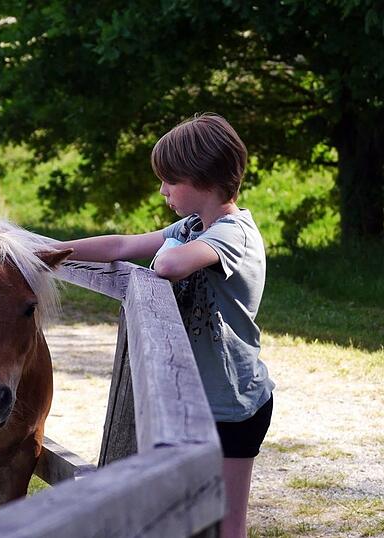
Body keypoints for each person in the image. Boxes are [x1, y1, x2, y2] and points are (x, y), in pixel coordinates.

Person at [55, 113, 274, 538]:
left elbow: (169, 264)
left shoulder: (234, 233)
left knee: (227, 529)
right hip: (193, 403)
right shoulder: (195, 225)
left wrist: (170, 244)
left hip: (233, 405)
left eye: (170, 180)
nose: (162, 190)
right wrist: (49, 250)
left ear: (202, 178)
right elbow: (122, 245)